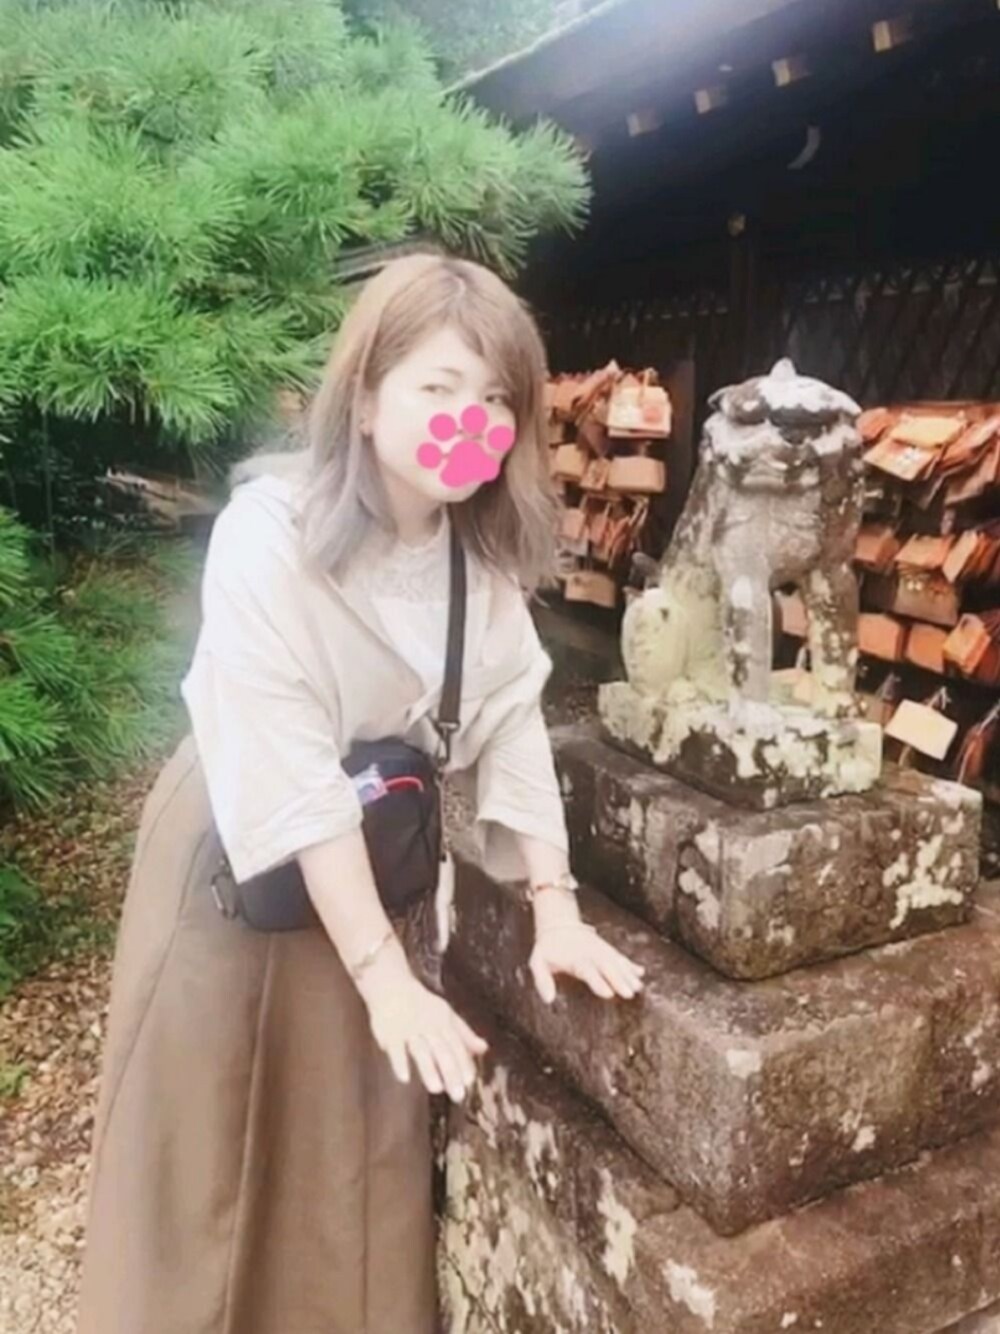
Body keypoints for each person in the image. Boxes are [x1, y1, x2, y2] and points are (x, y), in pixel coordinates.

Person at [76, 252, 645, 1334]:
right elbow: (290, 778)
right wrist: (386, 977)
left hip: (374, 856)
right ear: (368, 397)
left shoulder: (477, 556)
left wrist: (555, 905)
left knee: (350, 1152)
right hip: (238, 861)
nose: (472, 420)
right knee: (206, 1160)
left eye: (497, 399)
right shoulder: (268, 535)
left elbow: (511, 718)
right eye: (440, 386)